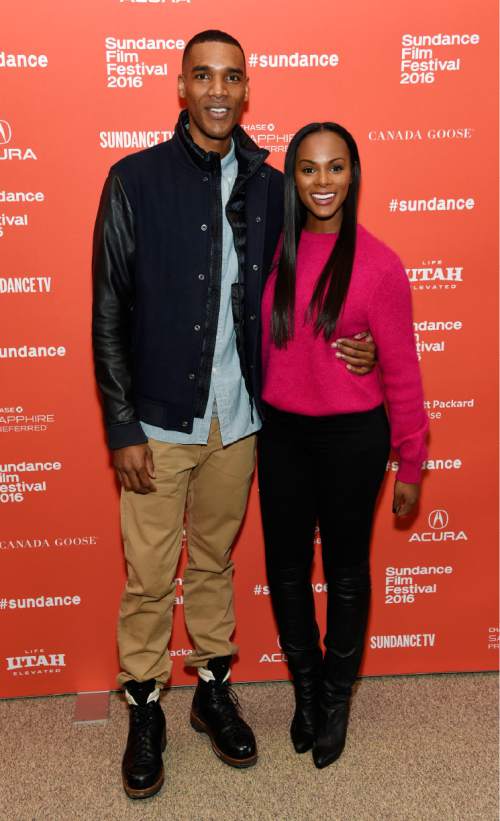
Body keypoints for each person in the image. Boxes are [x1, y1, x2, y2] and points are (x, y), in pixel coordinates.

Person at [92, 30, 376, 798]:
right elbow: (109, 310)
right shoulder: (133, 180)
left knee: (214, 562)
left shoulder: (271, 187)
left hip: (243, 418)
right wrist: (120, 425)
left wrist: (363, 339)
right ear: (182, 87)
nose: (218, 91)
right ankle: (145, 706)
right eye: (203, 76)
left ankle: (212, 690)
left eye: (231, 78)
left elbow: (325, 270)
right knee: (151, 574)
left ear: (247, 91)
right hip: (157, 421)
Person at [258, 122, 428, 770]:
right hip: (281, 433)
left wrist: (412, 459)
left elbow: (404, 372)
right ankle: (305, 689)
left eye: (335, 167)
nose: (322, 181)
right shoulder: (273, 249)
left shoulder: (380, 265)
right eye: (308, 168)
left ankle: (335, 698)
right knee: (286, 570)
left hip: (354, 438)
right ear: (293, 178)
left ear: (353, 175)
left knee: (347, 573)